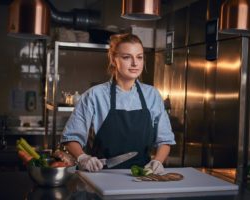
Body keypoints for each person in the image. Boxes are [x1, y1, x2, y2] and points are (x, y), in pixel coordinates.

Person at [61, 33, 175, 174]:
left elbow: (165, 139)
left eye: (139, 57)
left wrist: (157, 161)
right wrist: (83, 157)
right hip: (100, 175)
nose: (135, 63)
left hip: (143, 176)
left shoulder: (152, 95)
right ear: (114, 59)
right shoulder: (94, 95)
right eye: (127, 57)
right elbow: (71, 137)